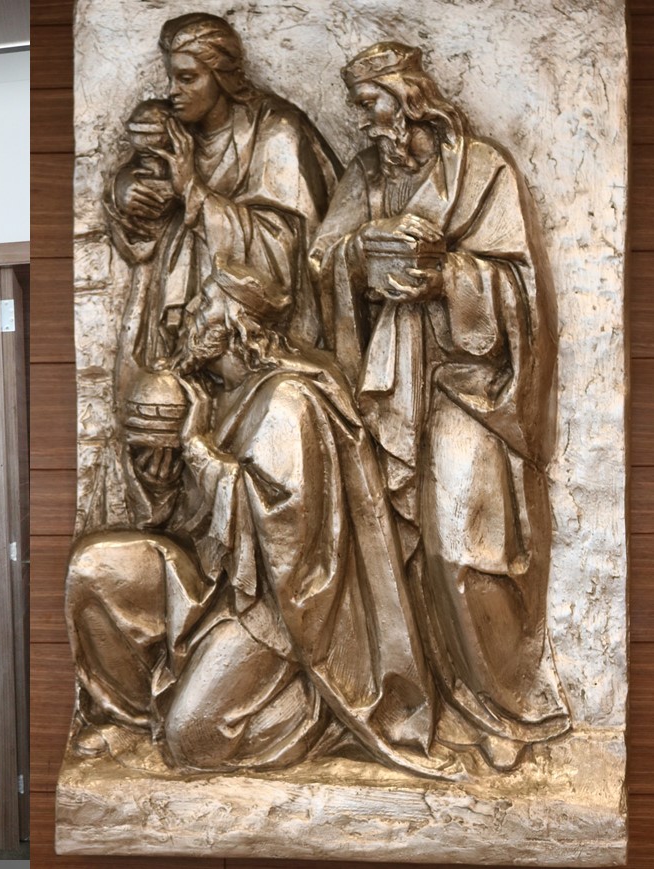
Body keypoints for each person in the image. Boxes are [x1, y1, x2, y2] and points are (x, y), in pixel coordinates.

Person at [69, 265, 449, 778]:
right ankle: (129, 715)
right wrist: (159, 475)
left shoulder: (288, 401)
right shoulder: (220, 394)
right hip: (214, 580)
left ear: (234, 324)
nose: (189, 318)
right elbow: (188, 520)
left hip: (272, 609)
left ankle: (319, 715)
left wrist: (198, 450)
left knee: (194, 739)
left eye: (205, 305)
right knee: (93, 569)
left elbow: (287, 533)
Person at [309, 41, 565, 771]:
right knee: (398, 544)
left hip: (468, 384)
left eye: (370, 103)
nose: (360, 121)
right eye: (355, 105)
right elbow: (325, 259)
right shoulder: (366, 176)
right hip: (390, 381)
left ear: (408, 97)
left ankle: (506, 704)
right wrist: (363, 255)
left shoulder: (483, 172)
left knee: (463, 545)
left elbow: (521, 288)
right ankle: (431, 702)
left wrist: (446, 276)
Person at [109, 13, 340, 379]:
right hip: (182, 322)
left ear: (222, 76)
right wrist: (126, 190)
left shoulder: (277, 130)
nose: (172, 91)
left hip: (255, 328)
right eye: (172, 78)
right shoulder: (173, 132)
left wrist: (193, 193)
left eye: (187, 78)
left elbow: (288, 247)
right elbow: (142, 213)